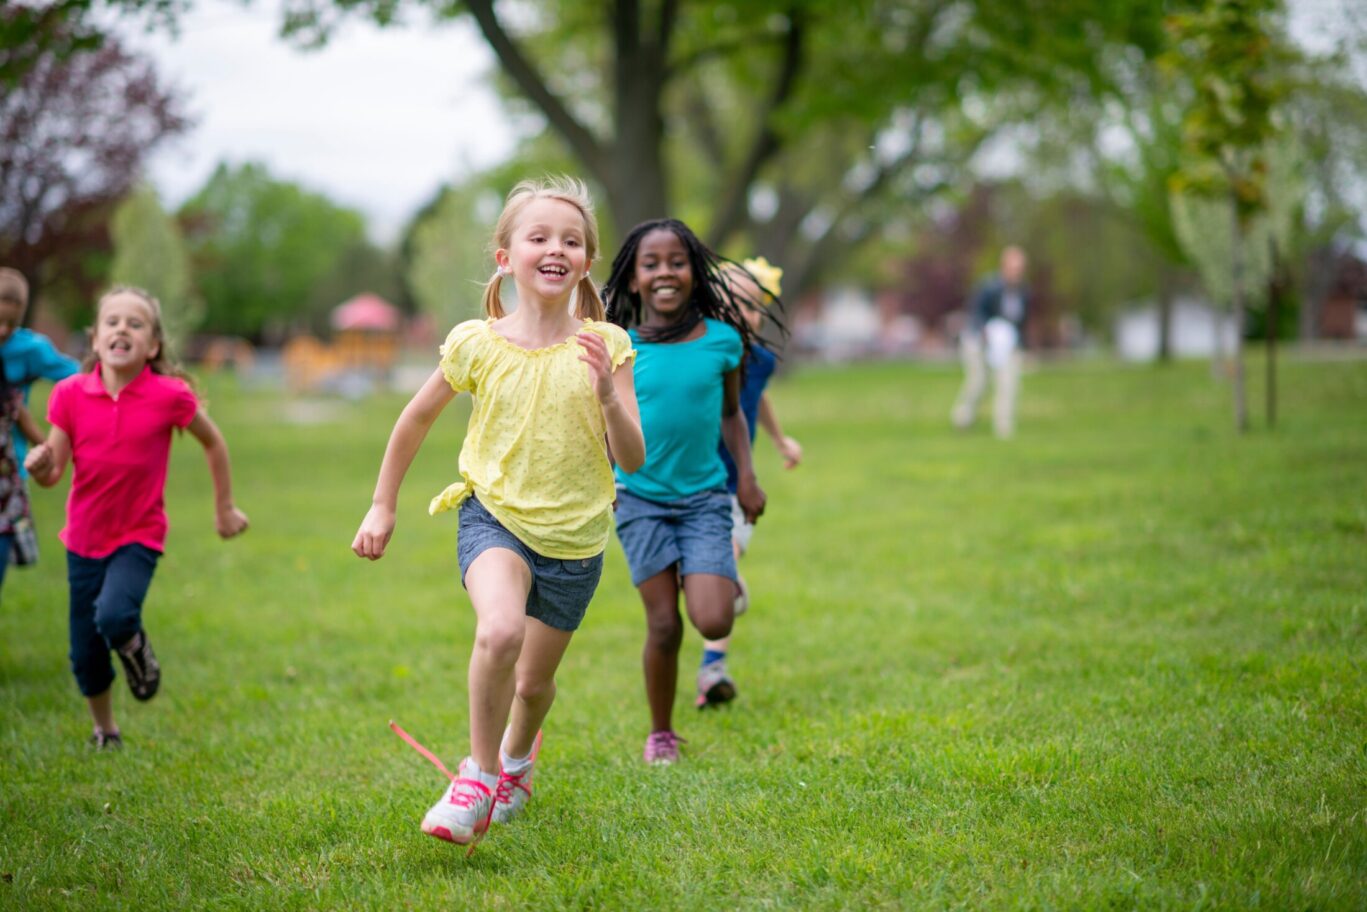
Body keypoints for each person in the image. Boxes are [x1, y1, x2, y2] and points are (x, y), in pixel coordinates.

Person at [351, 176, 643, 852]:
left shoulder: (608, 345)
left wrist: (605, 393)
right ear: (504, 256)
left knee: (534, 684)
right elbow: (415, 418)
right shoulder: (475, 343)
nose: (554, 248)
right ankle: (476, 777)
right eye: (537, 236)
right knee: (499, 633)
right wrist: (381, 504)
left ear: (586, 261)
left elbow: (631, 457)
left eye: (570, 240)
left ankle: (515, 761)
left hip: (575, 537)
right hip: (495, 517)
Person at [24, 286, 249, 750]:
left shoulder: (169, 396)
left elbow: (214, 442)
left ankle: (133, 646)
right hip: (82, 539)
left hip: (138, 536)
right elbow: (54, 473)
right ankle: (105, 730)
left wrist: (224, 507)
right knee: (84, 651)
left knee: (116, 615)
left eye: (135, 323)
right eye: (112, 322)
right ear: (95, 339)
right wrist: (43, 466)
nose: (122, 329)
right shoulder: (69, 395)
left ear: (152, 346)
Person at [602, 218, 769, 764]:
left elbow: (731, 416)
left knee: (714, 618)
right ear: (633, 280)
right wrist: (602, 481)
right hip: (639, 500)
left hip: (703, 499)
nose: (665, 273)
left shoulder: (723, 342)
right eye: (651, 264)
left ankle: (711, 576)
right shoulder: (619, 348)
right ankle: (661, 734)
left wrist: (746, 476)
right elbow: (601, 423)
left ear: (695, 273)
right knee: (664, 623)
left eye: (677, 262)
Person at [695, 257, 801, 709]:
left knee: (723, 564)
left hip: (737, 485)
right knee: (708, 578)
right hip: (694, 484)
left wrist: (780, 440)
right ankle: (723, 585)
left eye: (753, 306)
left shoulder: (760, 361)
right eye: (732, 304)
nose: (744, 313)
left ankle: (712, 668)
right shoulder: (696, 354)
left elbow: (758, 399)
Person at [0, 268, 81, 471]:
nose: (3, 330)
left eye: (11, 323)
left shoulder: (31, 349)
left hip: (11, 465)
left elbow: (79, 375)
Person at [951, 246, 1029, 439]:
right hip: (979, 340)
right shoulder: (989, 286)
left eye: (1020, 268)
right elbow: (975, 313)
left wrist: (1020, 344)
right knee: (979, 382)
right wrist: (986, 332)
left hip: (1007, 345)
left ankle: (1004, 427)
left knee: (1008, 383)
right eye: (1013, 267)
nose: (1016, 272)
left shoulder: (1024, 292)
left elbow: (1021, 322)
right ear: (1004, 266)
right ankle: (963, 416)